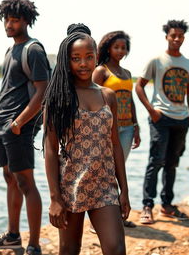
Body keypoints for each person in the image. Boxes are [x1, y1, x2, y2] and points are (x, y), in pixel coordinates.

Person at [43, 32, 130, 255]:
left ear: (96, 57)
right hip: (71, 184)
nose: (83, 63)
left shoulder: (108, 95)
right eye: (76, 58)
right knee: (70, 249)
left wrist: (124, 191)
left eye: (89, 56)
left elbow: (116, 145)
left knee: (116, 249)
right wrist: (55, 198)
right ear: (67, 61)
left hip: (104, 184)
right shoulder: (59, 97)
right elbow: (51, 149)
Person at [0, 0, 50, 254]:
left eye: (15, 20)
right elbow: (8, 88)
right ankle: (12, 236)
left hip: (18, 126)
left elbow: (42, 91)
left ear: (26, 21)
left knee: (25, 182)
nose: (9, 24)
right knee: (10, 178)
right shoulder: (11, 50)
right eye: (7, 20)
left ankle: (34, 244)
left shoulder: (34, 49)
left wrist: (19, 123)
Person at [135, 20, 189, 224]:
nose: (177, 38)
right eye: (173, 35)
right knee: (156, 161)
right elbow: (139, 86)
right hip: (161, 118)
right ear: (167, 37)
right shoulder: (157, 60)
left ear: (184, 38)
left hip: (181, 119)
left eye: (180, 35)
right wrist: (152, 111)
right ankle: (147, 206)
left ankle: (167, 205)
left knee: (172, 163)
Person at [92, 30, 140, 228]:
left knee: (118, 171)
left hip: (127, 128)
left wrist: (136, 126)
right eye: (116, 47)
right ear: (108, 48)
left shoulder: (127, 74)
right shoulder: (101, 71)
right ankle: (99, 222)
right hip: (106, 129)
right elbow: (90, 98)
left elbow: (130, 100)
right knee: (104, 172)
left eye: (123, 48)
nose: (120, 51)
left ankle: (117, 216)